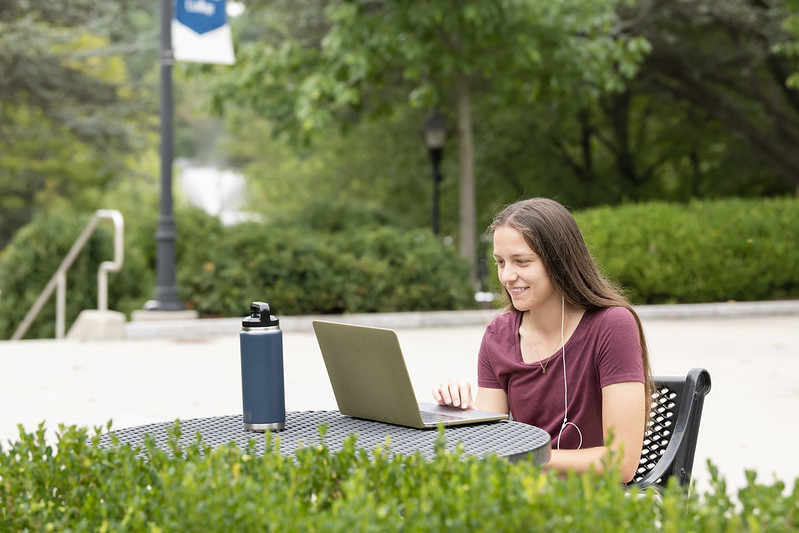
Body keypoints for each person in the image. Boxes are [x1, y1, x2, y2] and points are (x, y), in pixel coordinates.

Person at [432, 198, 652, 484]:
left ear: (559, 261)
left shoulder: (611, 326)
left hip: (588, 500)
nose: (507, 276)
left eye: (521, 262)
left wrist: (521, 457)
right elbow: (489, 443)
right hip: (522, 492)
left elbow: (620, 463)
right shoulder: (499, 334)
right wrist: (462, 417)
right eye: (500, 262)